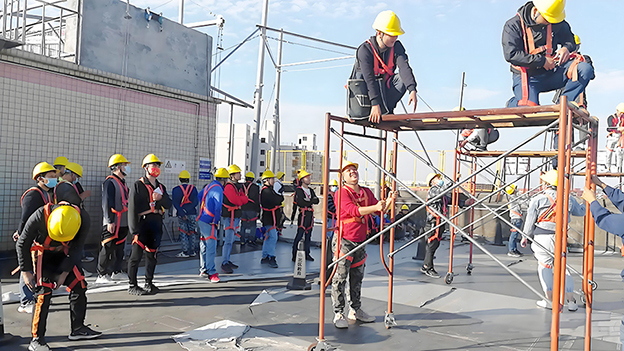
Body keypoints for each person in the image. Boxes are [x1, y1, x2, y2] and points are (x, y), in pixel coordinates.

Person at [17, 202, 101, 351]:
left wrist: (64, 273)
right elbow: (22, 243)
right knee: (43, 294)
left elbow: (77, 248)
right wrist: (26, 271)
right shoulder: (39, 215)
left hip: (65, 253)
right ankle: (37, 339)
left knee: (79, 284)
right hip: (43, 253)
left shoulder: (83, 218)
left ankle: (78, 328)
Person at [332, 161, 397, 329]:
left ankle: (355, 308)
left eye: (355, 170)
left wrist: (389, 201)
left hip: (361, 239)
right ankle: (338, 312)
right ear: (343, 177)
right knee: (340, 276)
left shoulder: (366, 192)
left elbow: (378, 210)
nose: (353, 172)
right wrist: (375, 206)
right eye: (349, 171)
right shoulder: (341, 193)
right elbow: (353, 210)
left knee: (357, 276)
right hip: (345, 239)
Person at [502, 0, 594, 107]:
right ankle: (513, 103)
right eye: (547, 19)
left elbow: (570, 39)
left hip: (551, 72)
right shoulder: (512, 26)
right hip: (527, 78)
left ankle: (563, 104)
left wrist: (566, 48)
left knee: (584, 69)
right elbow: (511, 55)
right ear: (536, 11)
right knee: (529, 111)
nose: (550, 22)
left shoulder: (555, 20)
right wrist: (542, 61)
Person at [521, 170, 584, 310]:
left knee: (545, 267)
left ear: (546, 184)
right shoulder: (568, 198)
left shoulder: (538, 199)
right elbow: (581, 212)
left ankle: (550, 301)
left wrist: (525, 236)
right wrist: (584, 201)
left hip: (542, 237)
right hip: (560, 237)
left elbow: (530, 220)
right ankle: (571, 301)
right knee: (564, 268)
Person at [349, 10, 418, 123]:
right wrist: (375, 104)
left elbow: (404, 67)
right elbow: (369, 79)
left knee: (402, 78)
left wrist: (412, 89)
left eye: (396, 35)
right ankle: (372, 110)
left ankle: (387, 111)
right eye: (391, 34)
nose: (395, 38)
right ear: (380, 33)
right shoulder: (365, 50)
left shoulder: (396, 47)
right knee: (364, 78)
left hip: (383, 94)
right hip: (364, 98)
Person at [14, 162, 58, 314]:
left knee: (37, 268)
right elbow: (25, 219)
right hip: (31, 239)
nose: (54, 179)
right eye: (51, 176)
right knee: (27, 267)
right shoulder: (33, 195)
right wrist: (21, 234)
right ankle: (26, 301)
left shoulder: (47, 194)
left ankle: (35, 296)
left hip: (41, 238)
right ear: (40, 178)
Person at [127, 154, 172, 295]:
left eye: (158, 165)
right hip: (142, 223)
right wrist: (134, 230)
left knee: (152, 255)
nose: (156, 168)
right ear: (146, 168)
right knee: (136, 256)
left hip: (156, 223)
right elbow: (132, 208)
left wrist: (161, 198)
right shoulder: (138, 185)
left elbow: (169, 204)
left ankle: (148, 282)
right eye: (154, 165)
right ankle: (132, 285)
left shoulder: (161, 187)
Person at [421, 173, 471, 278]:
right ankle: (428, 267)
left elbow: (451, 200)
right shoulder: (433, 190)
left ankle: (426, 265)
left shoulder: (442, 196)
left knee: (435, 244)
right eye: (438, 178)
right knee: (432, 244)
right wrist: (453, 181)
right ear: (432, 181)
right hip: (433, 222)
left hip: (440, 222)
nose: (440, 179)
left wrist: (464, 202)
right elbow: (442, 190)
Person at [96, 154, 131, 284]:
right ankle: (102, 274)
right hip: (112, 221)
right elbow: (106, 202)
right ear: (117, 167)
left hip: (123, 221)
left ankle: (117, 271)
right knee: (107, 247)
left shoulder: (123, 183)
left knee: (120, 248)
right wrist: (109, 221)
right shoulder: (109, 182)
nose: (126, 167)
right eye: (124, 165)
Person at [197, 168, 229, 283]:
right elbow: (218, 207)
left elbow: (199, 197)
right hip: (209, 221)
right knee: (211, 246)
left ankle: (203, 268)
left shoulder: (209, 186)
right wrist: (216, 220)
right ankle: (211, 272)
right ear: (224, 180)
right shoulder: (218, 189)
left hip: (202, 219)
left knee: (204, 245)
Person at [220, 164, 248, 274]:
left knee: (230, 240)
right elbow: (237, 200)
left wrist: (241, 199)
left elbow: (243, 199)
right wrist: (242, 199)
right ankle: (224, 262)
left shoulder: (236, 186)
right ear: (232, 175)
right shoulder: (229, 187)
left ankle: (227, 260)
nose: (240, 174)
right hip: (230, 217)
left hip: (234, 216)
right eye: (238, 173)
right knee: (228, 240)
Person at [292, 170, 320, 261]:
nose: (309, 179)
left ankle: (307, 254)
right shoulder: (299, 190)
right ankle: (294, 254)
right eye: (307, 177)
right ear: (302, 179)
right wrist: (311, 200)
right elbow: (300, 202)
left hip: (310, 214)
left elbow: (317, 201)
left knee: (308, 235)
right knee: (300, 234)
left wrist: (309, 200)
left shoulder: (310, 190)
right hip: (303, 214)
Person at [172, 170, 199, 258]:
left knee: (183, 232)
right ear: (188, 179)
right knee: (192, 231)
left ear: (180, 179)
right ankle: (192, 251)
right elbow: (196, 202)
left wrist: (182, 212)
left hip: (181, 214)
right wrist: (188, 210)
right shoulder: (193, 189)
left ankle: (185, 251)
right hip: (192, 213)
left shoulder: (175, 190)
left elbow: (175, 203)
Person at [260, 170, 283, 268]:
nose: (273, 180)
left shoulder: (269, 190)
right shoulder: (266, 191)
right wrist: (278, 199)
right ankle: (271, 257)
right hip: (269, 217)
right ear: (267, 180)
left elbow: (278, 199)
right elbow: (277, 199)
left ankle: (265, 256)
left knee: (268, 237)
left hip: (270, 217)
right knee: (273, 237)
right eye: (272, 179)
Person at [506, 184, 528, 257]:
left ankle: (514, 249)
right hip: (516, 219)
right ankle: (511, 250)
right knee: (514, 235)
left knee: (515, 236)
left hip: (516, 218)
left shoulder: (512, 198)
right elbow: (523, 203)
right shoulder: (514, 198)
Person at [240, 171, 261, 246]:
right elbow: (257, 199)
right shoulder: (256, 187)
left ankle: (242, 240)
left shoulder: (241, 186)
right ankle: (251, 240)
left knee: (243, 225)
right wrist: (258, 210)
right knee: (253, 225)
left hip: (243, 208)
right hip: (252, 208)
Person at [606, 103, 624, 173]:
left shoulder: (623, 118)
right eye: (621, 112)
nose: (621, 114)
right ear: (617, 110)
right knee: (609, 152)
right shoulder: (611, 117)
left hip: (620, 137)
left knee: (619, 152)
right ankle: (608, 167)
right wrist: (618, 129)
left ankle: (618, 168)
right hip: (612, 137)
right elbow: (609, 128)